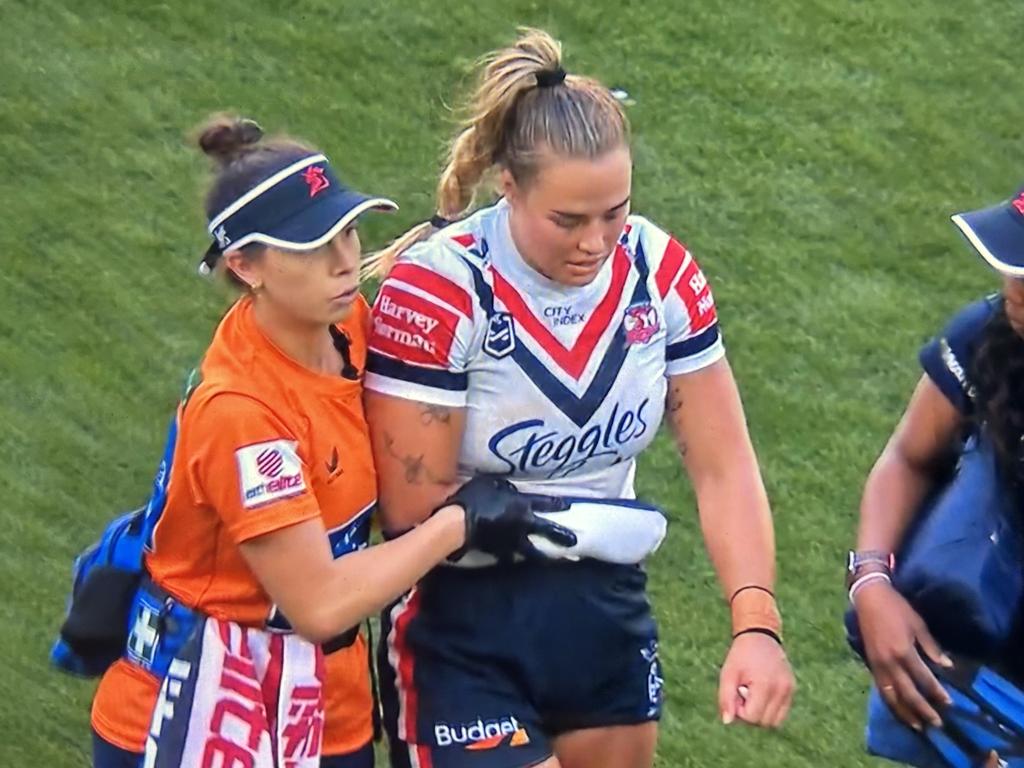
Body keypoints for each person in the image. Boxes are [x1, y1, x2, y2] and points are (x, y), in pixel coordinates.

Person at [362, 29, 795, 768]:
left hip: (604, 614)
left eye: (614, 213)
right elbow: (409, 508)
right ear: (508, 184)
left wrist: (755, 624)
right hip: (462, 626)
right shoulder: (440, 291)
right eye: (567, 220)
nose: (596, 243)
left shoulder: (660, 273)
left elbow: (723, 466)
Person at [87, 115, 570, 768]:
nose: (346, 259)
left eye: (346, 230)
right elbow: (318, 603)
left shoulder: (345, 328)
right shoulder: (243, 412)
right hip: (197, 714)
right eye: (315, 246)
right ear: (244, 265)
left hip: (321, 709)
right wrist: (458, 523)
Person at [849, 183, 1024, 735]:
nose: (1014, 287)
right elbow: (907, 457)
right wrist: (872, 583)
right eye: (1012, 264)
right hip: (983, 674)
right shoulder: (987, 338)